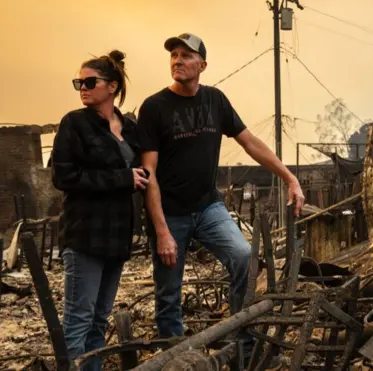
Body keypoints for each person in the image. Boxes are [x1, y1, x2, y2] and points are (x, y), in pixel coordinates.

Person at [137, 32, 304, 364]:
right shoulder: (154, 107)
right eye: (173, 55)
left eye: (186, 55)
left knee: (243, 257)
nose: (177, 61)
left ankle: (241, 347)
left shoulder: (216, 100)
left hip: (208, 206)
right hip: (170, 213)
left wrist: (290, 177)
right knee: (169, 293)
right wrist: (161, 231)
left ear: (202, 65)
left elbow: (251, 143)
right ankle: (175, 361)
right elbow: (148, 174)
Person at [51, 50, 148, 371]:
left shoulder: (130, 128)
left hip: (117, 239)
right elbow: (64, 176)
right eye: (78, 81)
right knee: (78, 322)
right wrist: (122, 177)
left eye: (90, 81)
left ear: (112, 86)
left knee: (98, 322)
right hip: (85, 237)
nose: (83, 87)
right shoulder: (74, 124)